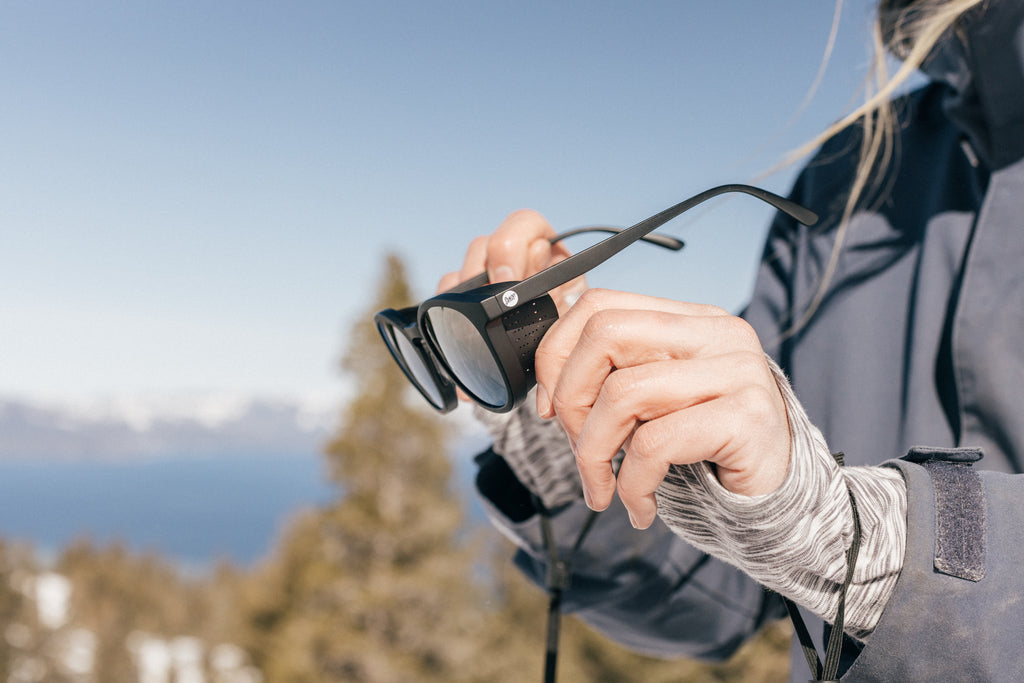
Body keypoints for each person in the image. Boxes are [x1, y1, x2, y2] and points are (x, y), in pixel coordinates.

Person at [434, 0, 1024, 679]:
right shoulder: (852, 179)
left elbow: (832, 544)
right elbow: (721, 591)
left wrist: (873, 545)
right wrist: (571, 436)